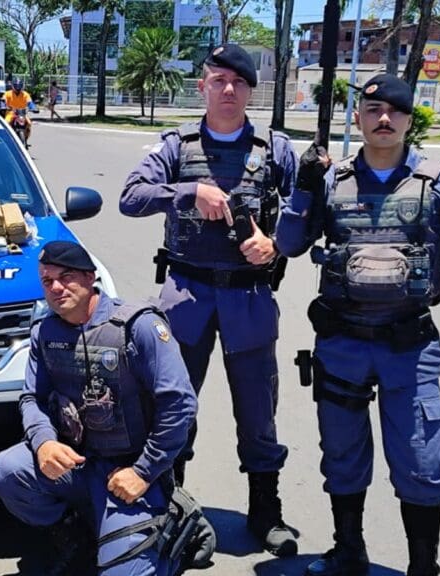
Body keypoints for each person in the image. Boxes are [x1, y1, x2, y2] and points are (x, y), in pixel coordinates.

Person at [278, 73, 440, 576]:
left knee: (422, 463)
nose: (383, 119)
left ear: (409, 119)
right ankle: (348, 551)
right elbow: (289, 244)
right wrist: (303, 189)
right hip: (341, 343)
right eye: (373, 110)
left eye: (395, 111)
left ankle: (424, 565)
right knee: (342, 455)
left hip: (409, 345)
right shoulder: (331, 181)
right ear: (358, 117)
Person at [119, 43, 299, 556]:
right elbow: (131, 196)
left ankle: (266, 510)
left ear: (251, 90)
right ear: (202, 86)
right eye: (218, 80)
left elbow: (306, 212)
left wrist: (276, 243)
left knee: (258, 409)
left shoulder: (276, 150)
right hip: (188, 294)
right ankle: (168, 506)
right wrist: (188, 191)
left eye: (238, 83)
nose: (228, 90)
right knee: (174, 403)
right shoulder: (176, 146)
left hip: (248, 298)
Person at [0, 240, 198, 575]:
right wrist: (44, 443)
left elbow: (180, 403)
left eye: (66, 276)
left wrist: (144, 471)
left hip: (129, 470)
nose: (55, 288)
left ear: (90, 277)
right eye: (47, 281)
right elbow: (33, 398)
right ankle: (79, 536)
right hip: (80, 463)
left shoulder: (137, 326)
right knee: (7, 471)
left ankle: (173, 534)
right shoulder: (45, 331)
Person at [1, 78, 36, 143]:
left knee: (29, 123)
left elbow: (30, 102)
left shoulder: (25, 94)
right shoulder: (7, 93)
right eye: (16, 86)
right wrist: (3, 106)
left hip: (22, 113)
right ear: (12, 86)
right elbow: (3, 101)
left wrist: (33, 108)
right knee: (6, 122)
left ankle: (26, 138)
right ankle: (6, 139)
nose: (17, 88)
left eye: (19, 86)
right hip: (11, 112)